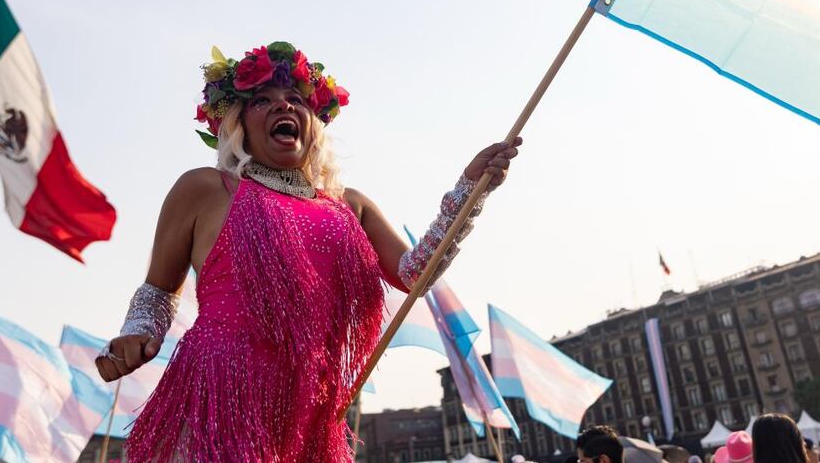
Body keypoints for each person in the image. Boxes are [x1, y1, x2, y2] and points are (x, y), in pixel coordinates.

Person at [93, 43, 522, 461]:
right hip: (222, 395)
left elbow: (416, 274)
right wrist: (139, 333)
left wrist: (469, 190)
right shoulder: (206, 188)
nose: (284, 107)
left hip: (313, 408)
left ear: (313, 122)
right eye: (263, 100)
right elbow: (158, 290)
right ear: (238, 123)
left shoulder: (349, 204)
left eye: (296, 100)